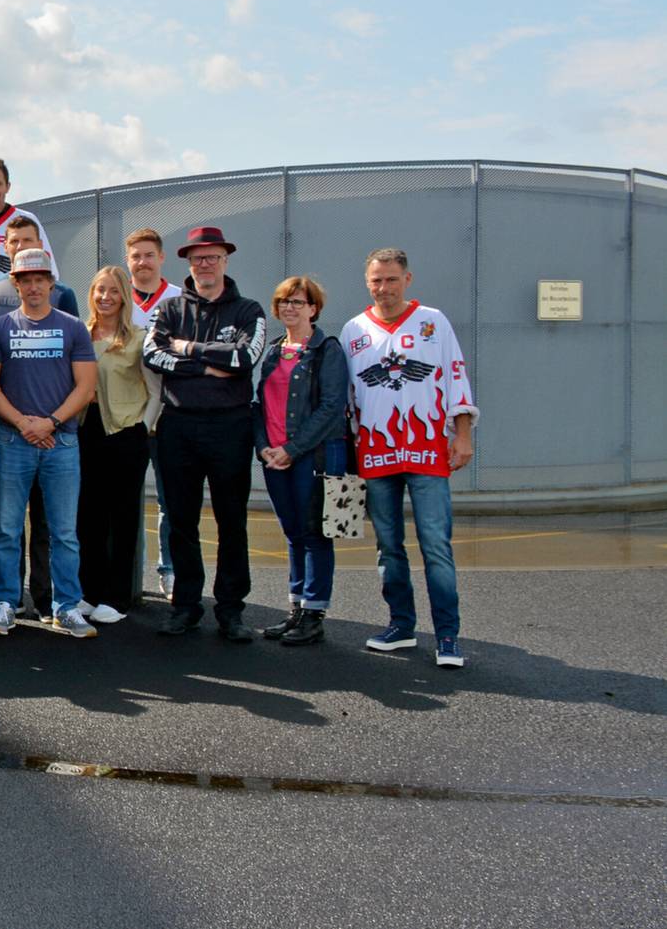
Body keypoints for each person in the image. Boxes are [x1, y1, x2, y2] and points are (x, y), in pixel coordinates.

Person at [341, 249, 476, 669]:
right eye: (377, 281)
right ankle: (401, 625)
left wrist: (464, 436)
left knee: (435, 545)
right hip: (377, 453)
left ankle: (448, 635)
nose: (384, 288)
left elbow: (456, 378)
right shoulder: (353, 330)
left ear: (408, 278)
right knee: (388, 547)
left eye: (392, 279)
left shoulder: (433, 322)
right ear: (367, 282)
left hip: (427, 450)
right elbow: (347, 398)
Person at [145, 226, 267, 641]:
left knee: (231, 521)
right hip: (179, 425)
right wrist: (206, 364)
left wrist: (187, 349)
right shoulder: (170, 309)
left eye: (212, 257)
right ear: (188, 262)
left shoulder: (248, 310)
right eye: (198, 258)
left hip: (230, 427)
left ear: (225, 260)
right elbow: (152, 353)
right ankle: (185, 606)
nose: (205, 264)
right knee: (181, 521)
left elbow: (245, 357)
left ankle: (231, 610)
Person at [0, 249, 100, 638]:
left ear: (52, 283)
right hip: (13, 442)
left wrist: (49, 423)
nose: (33, 286)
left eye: (39, 279)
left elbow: (86, 387)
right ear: (15, 284)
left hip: (60, 443)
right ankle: (5, 602)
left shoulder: (73, 327)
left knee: (64, 532)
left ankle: (66, 606)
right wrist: (23, 424)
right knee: (7, 529)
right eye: (25, 280)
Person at [252, 275, 349, 648]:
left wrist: (292, 449)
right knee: (293, 532)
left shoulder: (328, 350)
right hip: (274, 457)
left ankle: (314, 613)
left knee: (315, 534)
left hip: (313, 456)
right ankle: (297, 607)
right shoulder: (275, 350)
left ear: (313, 308)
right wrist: (264, 447)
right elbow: (260, 406)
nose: (289, 308)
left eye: (298, 301)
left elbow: (331, 408)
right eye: (283, 302)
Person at [78, 266, 159, 623]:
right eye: (99, 290)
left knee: (123, 518)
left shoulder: (140, 338)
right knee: (88, 517)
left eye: (113, 291)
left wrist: (143, 427)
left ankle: (118, 597)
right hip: (85, 431)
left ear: (125, 295)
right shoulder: (80, 334)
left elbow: (156, 391)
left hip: (125, 434)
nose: (105, 297)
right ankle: (89, 592)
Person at [126, 227, 182, 601]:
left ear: (161, 257)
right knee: (126, 501)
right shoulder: (115, 298)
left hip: (169, 415)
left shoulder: (180, 299)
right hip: (127, 417)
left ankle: (170, 571)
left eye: (148, 255)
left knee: (170, 500)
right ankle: (128, 580)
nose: (142, 262)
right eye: (135, 256)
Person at [0, 216, 79, 320]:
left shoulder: (62, 293)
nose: (20, 246)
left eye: (27, 240)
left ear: (40, 245)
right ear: (5, 247)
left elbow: (73, 333)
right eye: (14, 241)